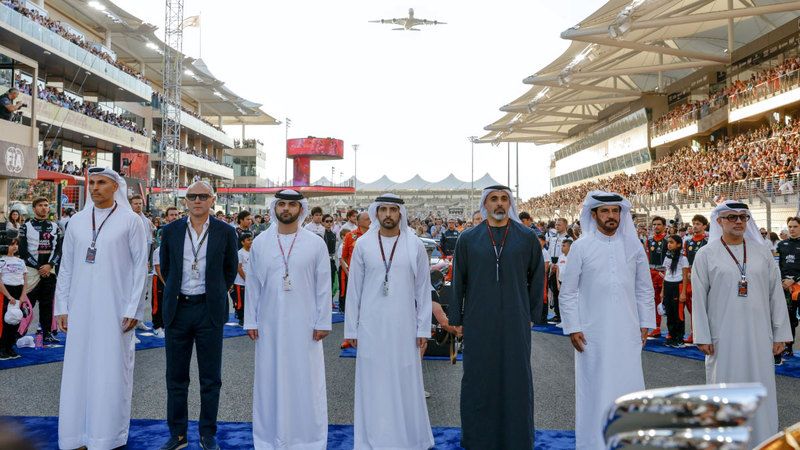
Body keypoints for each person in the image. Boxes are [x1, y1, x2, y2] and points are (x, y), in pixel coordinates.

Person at [53, 167, 149, 450]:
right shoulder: (77, 222)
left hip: (116, 309)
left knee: (110, 371)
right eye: (91, 183)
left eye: (101, 183)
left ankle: (106, 437)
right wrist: (62, 307)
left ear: (115, 186)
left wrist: (133, 308)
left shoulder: (131, 222)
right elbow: (66, 267)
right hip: (80, 308)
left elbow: (139, 268)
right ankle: (75, 436)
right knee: (77, 370)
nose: (94, 188)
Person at [449, 185, 545, 450]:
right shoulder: (468, 238)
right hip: (478, 320)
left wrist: (532, 316)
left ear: (510, 203)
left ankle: (517, 439)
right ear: (485, 204)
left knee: (517, 378)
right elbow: (459, 281)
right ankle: (478, 439)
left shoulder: (526, 237)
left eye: (504, 199)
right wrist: (456, 318)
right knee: (478, 378)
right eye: (494, 199)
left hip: (516, 319)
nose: (500, 204)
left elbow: (537, 279)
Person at [559, 191, 655, 450]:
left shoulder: (633, 246)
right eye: (605, 211)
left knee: (629, 385)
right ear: (594, 215)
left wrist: (645, 322)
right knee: (595, 389)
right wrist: (573, 327)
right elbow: (567, 292)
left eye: (615, 211)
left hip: (628, 330)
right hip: (593, 333)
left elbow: (644, 288)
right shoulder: (581, 246)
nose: (611, 216)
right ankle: (593, 444)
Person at [692, 200, 792, 446]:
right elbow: (699, 296)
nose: (738, 221)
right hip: (722, 337)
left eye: (743, 217)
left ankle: (762, 441)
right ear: (719, 221)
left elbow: (775, 295)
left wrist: (780, 333)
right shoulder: (706, 254)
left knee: (760, 389)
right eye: (732, 217)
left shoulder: (761, 253)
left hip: (760, 335)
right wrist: (702, 335)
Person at [344, 194, 434, 450]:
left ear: (400, 214)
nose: (388, 214)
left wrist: (423, 328)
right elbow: (354, 291)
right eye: (382, 209)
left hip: (404, 327)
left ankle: (408, 439)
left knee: (405, 381)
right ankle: (374, 439)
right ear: (375, 213)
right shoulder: (363, 245)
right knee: (373, 382)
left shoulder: (414, 244)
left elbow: (422, 290)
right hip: (371, 327)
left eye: (393, 210)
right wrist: (351, 328)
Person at [244, 189, 332, 450]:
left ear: (301, 209)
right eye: (281, 204)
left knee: (306, 380)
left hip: (305, 325)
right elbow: (253, 285)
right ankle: (268, 438)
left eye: (292, 205)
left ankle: (308, 439)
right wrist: (251, 320)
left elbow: (323, 286)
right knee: (270, 380)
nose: (286, 209)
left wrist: (323, 321)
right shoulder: (260, 243)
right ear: (275, 208)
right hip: (269, 324)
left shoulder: (315, 243)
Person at [159, 181, 238, 450]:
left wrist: (214, 292)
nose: (197, 200)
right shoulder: (169, 231)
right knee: (176, 377)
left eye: (203, 196)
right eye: (192, 196)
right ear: (185, 201)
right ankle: (178, 434)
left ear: (212, 200)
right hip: (178, 310)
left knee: (210, 378)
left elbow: (230, 269)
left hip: (209, 311)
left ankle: (207, 433)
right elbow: (166, 268)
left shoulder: (226, 232)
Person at [19, 197, 61, 344]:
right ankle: (18, 332)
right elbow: (23, 252)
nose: (44, 208)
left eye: (46, 205)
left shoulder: (55, 226)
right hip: (32, 272)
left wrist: (49, 265)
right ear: (34, 208)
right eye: (40, 205)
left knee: (47, 304)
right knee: (26, 304)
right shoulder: (26, 226)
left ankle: (47, 333)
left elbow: (59, 250)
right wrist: (39, 267)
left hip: (50, 272)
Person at [339, 211, 370, 327]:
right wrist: (351, 270)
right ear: (359, 222)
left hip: (371, 275)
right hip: (354, 275)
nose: (370, 221)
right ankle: (352, 330)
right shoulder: (350, 236)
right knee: (353, 301)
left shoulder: (376, 235)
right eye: (367, 219)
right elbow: (344, 256)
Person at [681, 214, 709, 344]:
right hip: (690, 276)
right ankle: (694, 332)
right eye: (694, 223)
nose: (695, 226)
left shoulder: (709, 241)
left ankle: (707, 332)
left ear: (704, 226)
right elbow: (685, 261)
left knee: (706, 306)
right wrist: (687, 273)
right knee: (693, 307)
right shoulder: (688, 242)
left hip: (705, 275)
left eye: (698, 224)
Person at [776, 216, 800, 359]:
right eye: (790, 226)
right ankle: (788, 348)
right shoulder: (781, 245)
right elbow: (777, 265)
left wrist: (794, 280)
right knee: (789, 319)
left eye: (795, 226)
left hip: (798, 286)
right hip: (785, 288)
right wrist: (781, 281)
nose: (792, 229)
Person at [0, 239, 28, 360]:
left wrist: (23, 295)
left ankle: (10, 347)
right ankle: (2, 348)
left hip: (19, 292)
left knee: (15, 319)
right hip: (6, 292)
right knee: (5, 321)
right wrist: (8, 296)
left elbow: (25, 279)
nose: (14, 247)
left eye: (16, 244)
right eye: (12, 245)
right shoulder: (1, 261)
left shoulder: (21, 261)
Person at [130, 194, 154, 332]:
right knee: (131, 293)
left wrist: (147, 261)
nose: (138, 206)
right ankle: (130, 324)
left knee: (142, 293)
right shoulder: (127, 219)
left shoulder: (146, 221)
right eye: (135, 203)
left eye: (140, 203)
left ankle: (138, 320)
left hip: (143, 262)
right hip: (131, 264)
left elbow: (149, 243)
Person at [662, 234, 689, 348]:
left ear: (678, 244)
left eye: (672, 242)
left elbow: (685, 276)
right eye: (668, 242)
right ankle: (671, 336)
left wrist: (683, 292)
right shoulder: (667, 256)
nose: (669, 244)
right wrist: (662, 291)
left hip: (677, 286)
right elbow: (666, 273)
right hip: (668, 285)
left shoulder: (683, 258)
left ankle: (679, 338)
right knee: (669, 312)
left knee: (678, 314)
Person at [645, 216, 668, 337]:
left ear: (664, 226)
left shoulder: (668, 240)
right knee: (654, 301)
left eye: (659, 224)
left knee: (669, 301)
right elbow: (646, 258)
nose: (656, 227)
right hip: (651, 273)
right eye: (654, 224)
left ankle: (673, 331)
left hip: (664, 273)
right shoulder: (648, 240)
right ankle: (657, 327)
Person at [546, 218, 568, 323]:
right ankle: (557, 313)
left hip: (561, 267)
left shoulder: (569, 239)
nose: (557, 226)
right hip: (552, 265)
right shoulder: (553, 238)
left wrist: (558, 266)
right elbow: (550, 251)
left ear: (565, 226)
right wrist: (551, 265)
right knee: (554, 292)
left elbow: (566, 254)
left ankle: (562, 314)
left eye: (559, 225)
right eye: (556, 224)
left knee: (561, 293)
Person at [233, 231, 253, 327]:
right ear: (242, 242)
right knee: (241, 301)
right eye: (248, 240)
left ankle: (249, 317)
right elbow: (239, 268)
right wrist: (246, 278)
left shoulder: (253, 252)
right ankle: (241, 318)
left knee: (249, 301)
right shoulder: (240, 253)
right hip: (241, 282)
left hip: (250, 282)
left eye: (251, 240)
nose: (251, 241)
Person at [322, 214, 337, 292]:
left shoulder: (333, 234)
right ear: (323, 222)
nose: (329, 223)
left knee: (332, 282)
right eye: (327, 221)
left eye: (331, 221)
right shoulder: (322, 234)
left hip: (332, 262)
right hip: (324, 262)